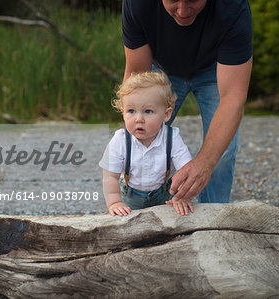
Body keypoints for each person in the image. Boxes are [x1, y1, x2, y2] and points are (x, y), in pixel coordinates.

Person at [122, 0, 253, 205]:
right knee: (141, 139)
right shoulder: (137, 3)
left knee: (223, 152)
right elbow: (137, 77)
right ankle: (141, 209)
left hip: (216, 69)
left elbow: (233, 98)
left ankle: (215, 219)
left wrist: (204, 164)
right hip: (162, 70)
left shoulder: (232, 7)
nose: (183, 10)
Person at [99, 71, 193, 216]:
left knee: (167, 229)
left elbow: (186, 169)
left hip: (165, 198)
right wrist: (115, 202)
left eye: (148, 111)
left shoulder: (172, 138)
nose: (138, 119)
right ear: (123, 112)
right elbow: (110, 176)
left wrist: (182, 196)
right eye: (131, 111)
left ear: (166, 114)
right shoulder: (120, 140)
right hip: (131, 199)